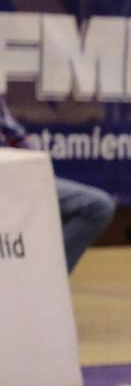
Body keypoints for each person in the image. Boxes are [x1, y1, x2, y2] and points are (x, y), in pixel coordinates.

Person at [0, 96, 115, 271]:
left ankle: (43, 280)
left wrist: (36, 166)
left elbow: (14, 135)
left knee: (98, 206)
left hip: (16, 174)